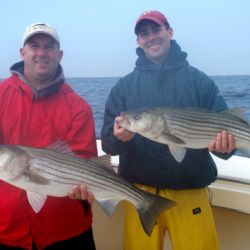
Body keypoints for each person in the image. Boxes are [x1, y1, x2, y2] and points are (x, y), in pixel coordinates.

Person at [101, 10, 236, 250]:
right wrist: (118, 138)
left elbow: (225, 137)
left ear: (169, 33)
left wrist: (225, 148)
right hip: (138, 192)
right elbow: (109, 144)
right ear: (138, 41)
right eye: (144, 33)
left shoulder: (200, 82)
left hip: (190, 191)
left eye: (156, 30)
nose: (151, 37)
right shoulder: (124, 87)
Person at [0, 23, 97, 250]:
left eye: (49, 46)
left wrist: (85, 186)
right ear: (22, 53)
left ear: (59, 54)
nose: (41, 53)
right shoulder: (1, 96)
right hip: (7, 227)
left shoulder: (79, 107)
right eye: (34, 46)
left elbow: (83, 159)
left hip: (66, 230)